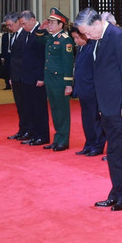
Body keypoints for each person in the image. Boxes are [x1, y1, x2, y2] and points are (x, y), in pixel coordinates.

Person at [76, 8, 122, 211]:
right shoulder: (98, 39)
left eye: (86, 31)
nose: (86, 36)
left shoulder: (117, 36)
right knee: (113, 152)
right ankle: (115, 192)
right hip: (107, 106)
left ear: (95, 24)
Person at [70, 27, 106, 157]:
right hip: (82, 90)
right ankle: (89, 143)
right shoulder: (80, 48)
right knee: (86, 120)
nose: (76, 40)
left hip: (91, 90)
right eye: (74, 38)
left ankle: (98, 144)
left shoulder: (92, 48)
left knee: (94, 119)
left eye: (78, 37)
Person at [42, 8, 74, 151]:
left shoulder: (65, 40)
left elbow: (68, 64)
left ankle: (64, 140)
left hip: (60, 81)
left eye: (53, 23)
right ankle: (57, 138)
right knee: (54, 110)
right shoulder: (50, 38)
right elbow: (37, 38)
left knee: (62, 111)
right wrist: (41, 28)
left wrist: (68, 84)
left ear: (61, 25)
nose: (49, 25)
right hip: (50, 79)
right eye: (49, 22)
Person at [17, 10, 49, 146]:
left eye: (24, 24)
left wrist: (41, 77)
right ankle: (34, 134)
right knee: (30, 108)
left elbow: (43, 57)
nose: (23, 26)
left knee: (39, 108)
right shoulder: (27, 33)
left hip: (37, 78)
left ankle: (42, 135)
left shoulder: (41, 32)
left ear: (32, 20)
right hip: (27, 77)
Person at [0, 23, 12, 89]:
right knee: (6, 70)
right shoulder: (4, 36)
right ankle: (7, 85)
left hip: (14, 55)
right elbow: (3, 46)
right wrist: (2, 57)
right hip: (6, 55)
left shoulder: (16, 35)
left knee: (13, 70)